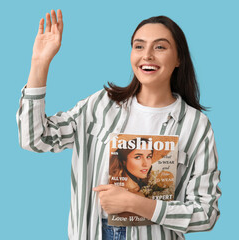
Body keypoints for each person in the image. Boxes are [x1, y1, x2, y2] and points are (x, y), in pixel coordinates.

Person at [16, 9, 221, 240]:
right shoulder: (100, 105)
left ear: (179, 59)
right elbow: (34, 139)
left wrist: (138, 204)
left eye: (160, 47)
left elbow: (206, 214)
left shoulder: (195, 126)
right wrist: (39, 63)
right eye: (139, 46)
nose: (147, 55)